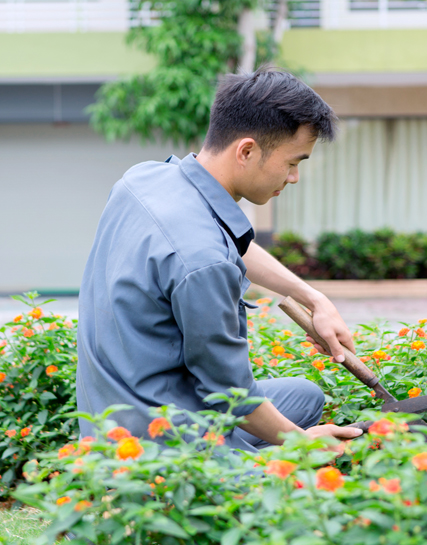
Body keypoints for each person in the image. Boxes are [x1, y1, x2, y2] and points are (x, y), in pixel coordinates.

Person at [76, 68, 363, 451]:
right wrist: (304, 444)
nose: (294, 177)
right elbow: (233, 396)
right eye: (293, 162)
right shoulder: (205, 262)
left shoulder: (143, 179)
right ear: (246, 151)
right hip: (158, 442)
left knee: (305, 396)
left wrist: (314, 299)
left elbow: (226, 241)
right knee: (298, 466)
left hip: (110, 410)